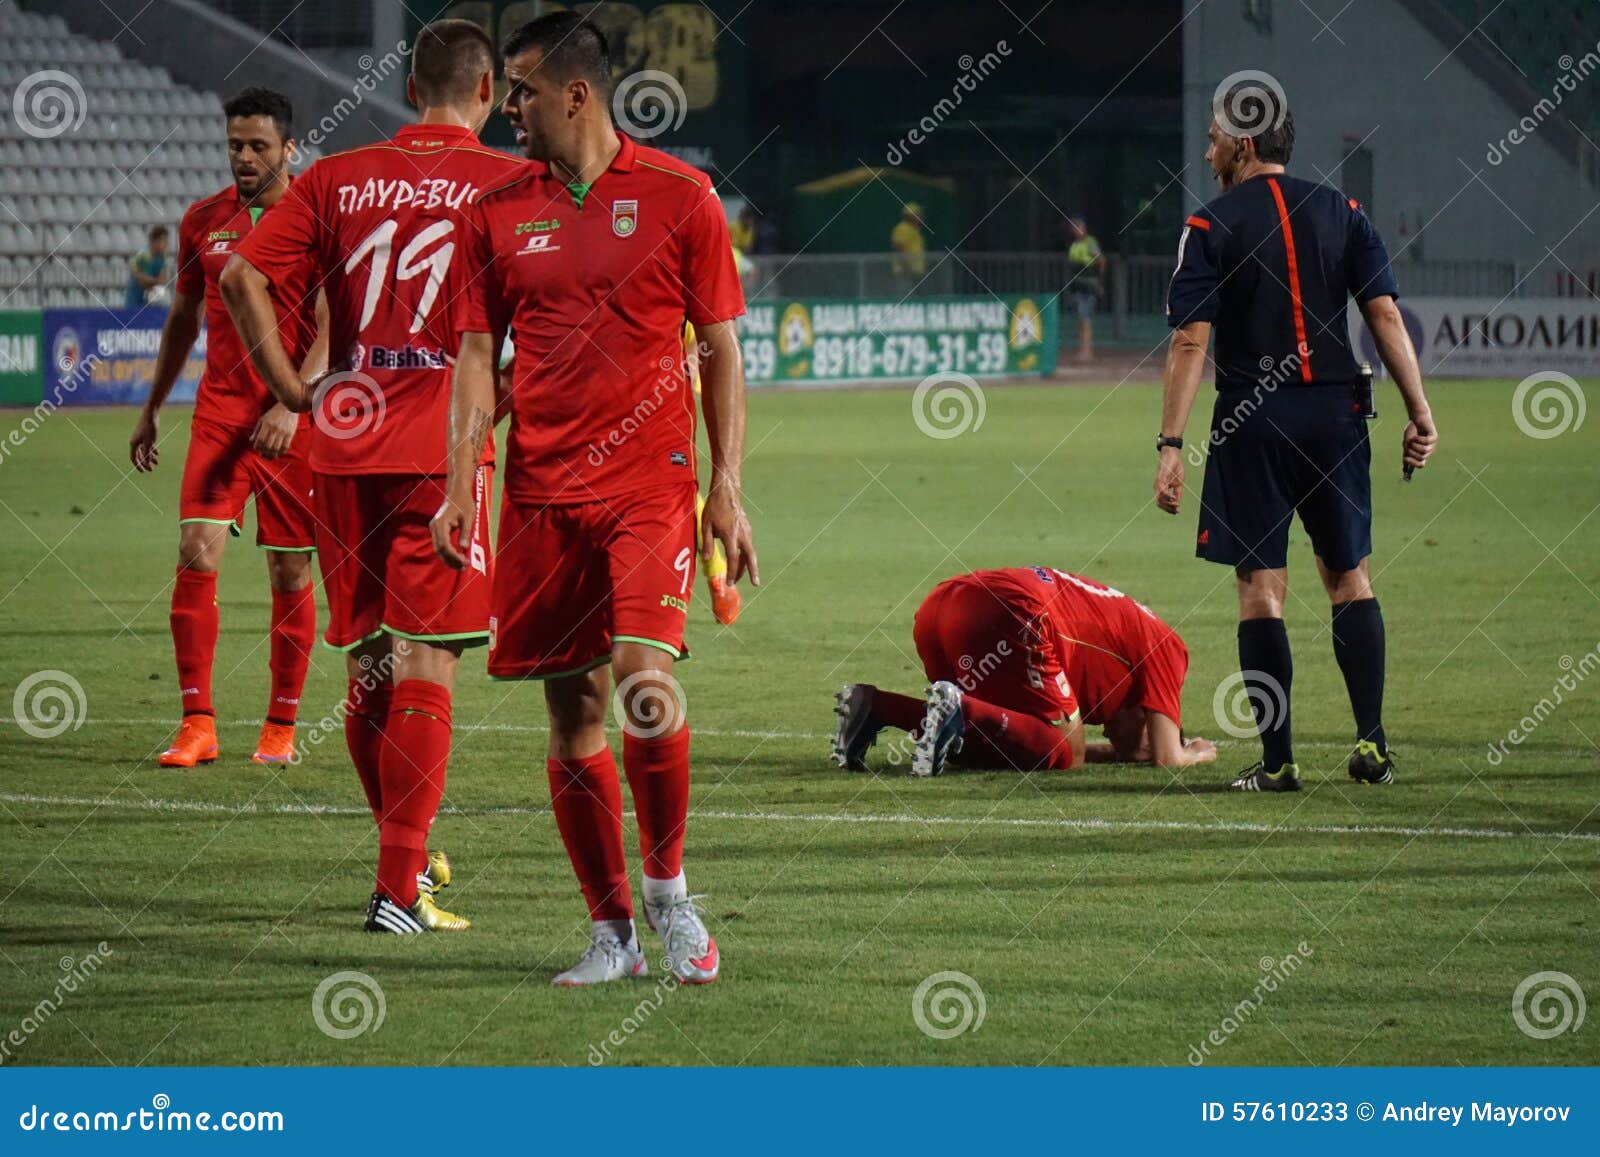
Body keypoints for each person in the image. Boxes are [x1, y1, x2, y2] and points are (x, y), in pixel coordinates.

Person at [434, 12, 757, 986]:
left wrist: (726, 488)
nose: (509, 113)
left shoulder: (680, 196)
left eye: (522, 93)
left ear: (575, 92)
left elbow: (721, 348)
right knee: (571, 711)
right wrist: (461, 479)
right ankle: (609, 929)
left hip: (647, 487)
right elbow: (477, 355)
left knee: (642, 680)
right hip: (539, 491)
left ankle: (668, 891)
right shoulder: (494, 211)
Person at [220, 19, 528, 932]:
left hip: (344, 443)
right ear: (483, 93)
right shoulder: (511, 180)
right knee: (427, 659)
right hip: (443, 446)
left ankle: (406, 854)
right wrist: (503, 400)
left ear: (406, 85)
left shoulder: (336, 176)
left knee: (368, 669)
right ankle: (398, 890)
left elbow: (240, 279)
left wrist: (291, 389)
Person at [1153, 82, 1437, 792]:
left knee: (1261, 588)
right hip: (1337, 414)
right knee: (1350, 577)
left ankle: (1278, 761)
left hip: (1255, 418)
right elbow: (1385, 318)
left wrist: (1169, 444)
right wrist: (1420, 410)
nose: (1210, 147)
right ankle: (1371, 745)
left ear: (1245, 144)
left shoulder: (1210, 224)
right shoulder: (1344, 213)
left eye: (1217, 136)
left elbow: (1191, 343)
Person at [129, 88, 320, 769]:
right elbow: (182, 318)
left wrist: (291, 405)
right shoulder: (203, 219)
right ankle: (197, 723)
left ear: (289, 147)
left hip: (292, 422)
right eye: (235, 144)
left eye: (258, 145)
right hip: (219, 414)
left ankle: (280, 728)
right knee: (196, 552)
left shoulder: (317, 214)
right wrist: (152, 406)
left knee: (291, 569)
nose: (244, 156)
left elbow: (332, 325)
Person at [833, 567, 1216, 777]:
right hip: (1012, 610)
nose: (1139, 748)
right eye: (1150, 732)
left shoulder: (1113, 664)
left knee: (982, 743)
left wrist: (1114, 753)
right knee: (1066, 753)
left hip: (942, 606)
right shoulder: (1169, 648)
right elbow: (1168, 759)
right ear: (1150, 711)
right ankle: (960, 710)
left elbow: (1043, 736)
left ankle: (876, 705)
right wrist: (1195, 752)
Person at [1065, 215, 1105, 362]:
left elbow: (1100, 260)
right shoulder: (1074, 244)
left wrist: (1099, 281)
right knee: (1081, 319)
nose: (1076, 230)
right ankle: (1083, 350)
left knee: (1085, 318)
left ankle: (1087, 352)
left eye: (1078, 227)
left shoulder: (1090, 243)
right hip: (1077, 285)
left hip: (1088, 284)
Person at [125, 225, 169, 309]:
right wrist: (156, 281)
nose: (166, 244)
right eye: (164, 241)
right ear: (155, 241)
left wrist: (153, 281)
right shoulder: (143, 255)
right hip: (134, 302)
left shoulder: (160, 258)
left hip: (148, 302)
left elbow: (162, 280)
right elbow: (142, 282)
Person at [890, 202, 927, 285]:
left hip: (916, 273)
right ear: (909, 216)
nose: (920, 215)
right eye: (917, 213)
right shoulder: (902, 228)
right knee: (908, 296)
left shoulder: (915, 229)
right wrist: (906, 269)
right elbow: (899, 248)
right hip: (906, 273)